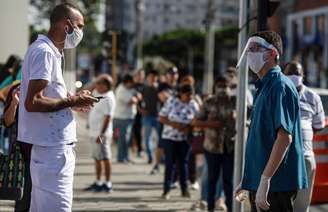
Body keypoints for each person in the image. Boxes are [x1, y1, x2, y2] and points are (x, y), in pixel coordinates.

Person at [18, 3, 98, 211]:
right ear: (66, 25)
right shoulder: (45, 53)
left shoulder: (50, 52)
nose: (81, 32)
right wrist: (72, 102)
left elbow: (48, 96)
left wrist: (72, 100)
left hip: (51, 149)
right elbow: (33, 101)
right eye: (79, 26)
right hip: (52, 151)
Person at [234, 31, 308, 212]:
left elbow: (284, 138)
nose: (250, 53)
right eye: (249, 48)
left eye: (256, 48)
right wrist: (249, 179)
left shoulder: (280, 86)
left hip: (276, 184)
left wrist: (265, 179)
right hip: (262, 182)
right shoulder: (264, 86)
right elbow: (261, 139)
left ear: (272, 54)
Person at [284, 61, 325, 212]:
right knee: (282, 201)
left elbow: (318, 126)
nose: (294, 76)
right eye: (290, 73)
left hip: (306, 155)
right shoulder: (278, 93)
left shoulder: (312, 97)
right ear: (283, 75)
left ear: (303, 76)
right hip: (282, 156)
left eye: (297, 73)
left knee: (301, 204)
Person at [192, 76, 236, 212]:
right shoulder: (209, 102)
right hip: (212, 147)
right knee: (212, 179)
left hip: (230, 146)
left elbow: (247, 118)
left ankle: (231, 208)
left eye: (225, 85)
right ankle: (210, 207)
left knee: (228, 181)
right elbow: (195, 122)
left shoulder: (236, 101)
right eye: (220, 85)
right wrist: (211, 124)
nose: (222, 88)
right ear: (215, 87)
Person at [159, 84, 199, 200]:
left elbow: (198, 120)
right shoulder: (171, 101)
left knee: (183, 164)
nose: (189, 97)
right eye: (187, 95)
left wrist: (190, 127)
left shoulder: (193, 104)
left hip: (184, 139)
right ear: (181, 94)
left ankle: (184, 189)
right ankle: (166, 190)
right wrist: (175, 125)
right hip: (170, 138)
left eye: (191, 95)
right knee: (170, 164)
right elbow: (161, 117)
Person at [3, 83, 33, 212]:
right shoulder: (18, 89)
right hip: (24, 155)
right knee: (24, 201)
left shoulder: (53, 87)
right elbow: (7, 122)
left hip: (49, 153)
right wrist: (15, 103)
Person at [85, 74, 116, 193]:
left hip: (101, 134)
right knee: (97, 158)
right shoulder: (99, 93)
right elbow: (89, 91)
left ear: (105, 85)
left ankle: (108, 183)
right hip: (94, 132)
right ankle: (98, 182)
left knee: (105, 158)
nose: (96, 85)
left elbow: (108, 117)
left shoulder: (108, 97)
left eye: (98, 83)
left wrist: (101, 134)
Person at [113, 74, 141, 163]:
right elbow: (131, 101)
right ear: (127, 82)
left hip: (128, 117)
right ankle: (121, 158)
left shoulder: (129, 89)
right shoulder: (121, 90)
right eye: (131, 83)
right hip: (122, 118)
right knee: (123, 139)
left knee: (127, 139)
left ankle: (125, 156)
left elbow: (137, 96)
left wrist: (136, 97)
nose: (132, 85)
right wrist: (136, 98)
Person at [139, 70, 161, 165]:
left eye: (154, 77)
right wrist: (140, 110)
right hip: (147, 117)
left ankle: (160, 158)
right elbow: (138, 101)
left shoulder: (160, 89)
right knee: (147, 139)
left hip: (158, 117)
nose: (152, 79)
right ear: (147, 78)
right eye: (150, 77)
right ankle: (150, 157)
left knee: (160, 139)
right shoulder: (144, 89)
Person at [132, 69, 145, 157]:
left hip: (144, 112)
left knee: (140, 131)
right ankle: (135, 148)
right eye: (139, 75)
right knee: (135, 130)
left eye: (142, 75)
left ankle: (140, 148)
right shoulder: (133, 86)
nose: (140, 76)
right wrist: (138, 108)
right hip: (135, 111)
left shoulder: (145, 86)